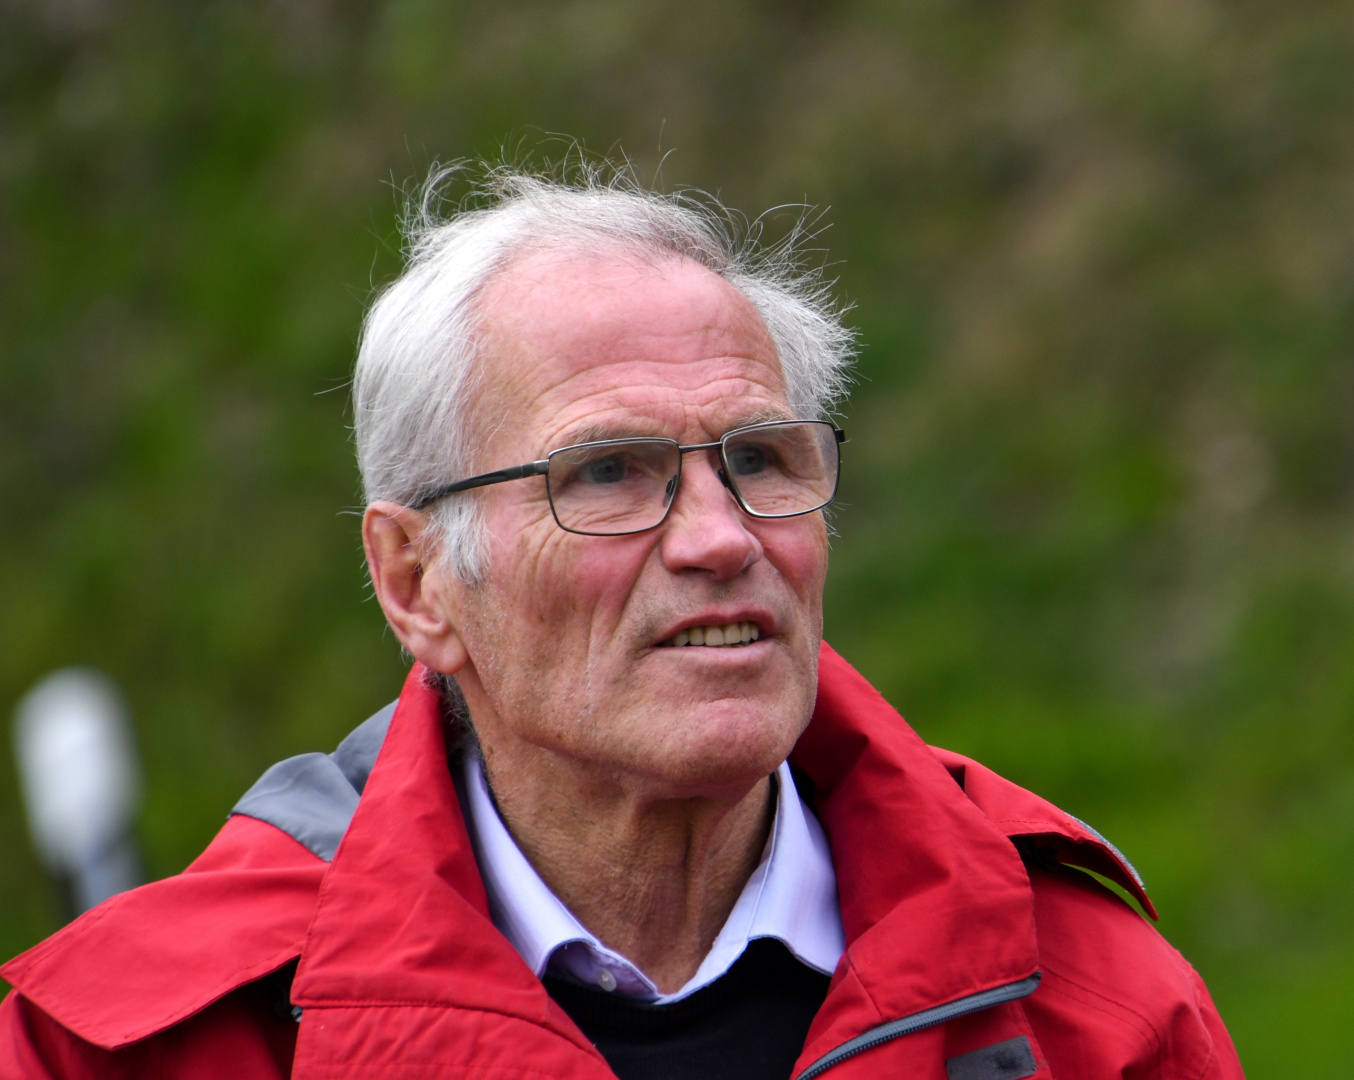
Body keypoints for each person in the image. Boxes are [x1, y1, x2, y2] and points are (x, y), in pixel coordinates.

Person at [0, 166, 1244, 1080]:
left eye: (760, 458)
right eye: (606, 473)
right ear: (416, 582)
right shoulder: (144, 1047)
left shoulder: (1090, 1007)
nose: (721, 536)